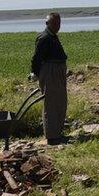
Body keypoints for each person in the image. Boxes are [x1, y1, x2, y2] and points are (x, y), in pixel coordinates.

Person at [30, 12, 68, 145]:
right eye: (55, 23)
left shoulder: (52, 36)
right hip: (50, 72)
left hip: (57, 71)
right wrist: (36, 73)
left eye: (59, 23)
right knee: (51, 104)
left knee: (60, 102)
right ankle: (52, 137)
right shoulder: (44, 38)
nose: (58, 26)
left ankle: (57, 133)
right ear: (47, 23)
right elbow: (36, 59)